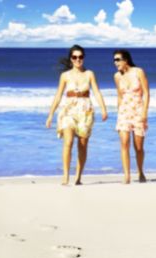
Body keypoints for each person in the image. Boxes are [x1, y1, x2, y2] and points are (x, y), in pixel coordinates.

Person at [46, 45, 107, 185]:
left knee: (83, 145)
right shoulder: (65, 75)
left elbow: (96, 92)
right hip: (68, 110)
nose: (78, 59)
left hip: (85, 110)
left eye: (80, 57)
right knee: (68, 142)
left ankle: (78, 177)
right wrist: (50, 115)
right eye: (75, 57)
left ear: (83, 58)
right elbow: (58, 95)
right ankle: (65, 175)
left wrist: (103, 109)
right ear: (71, 59)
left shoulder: (89, 74)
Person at [113, 49, 150, 184]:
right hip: (124, 112)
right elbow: (119, 95)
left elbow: (146, 92)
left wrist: (145, 112)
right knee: (124, 143)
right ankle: (127, 175)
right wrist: (119, 112)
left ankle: (140, 171)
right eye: (114, 60)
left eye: (117, 59)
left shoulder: (138, 72)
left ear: (125, 60)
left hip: (138, 110)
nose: (115, 62)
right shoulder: (117, 76)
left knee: (138, 147)